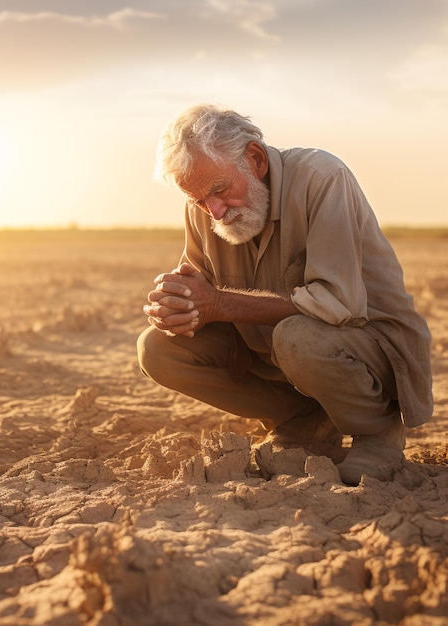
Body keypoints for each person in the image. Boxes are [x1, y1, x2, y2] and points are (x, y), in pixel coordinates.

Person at [137, 103, 433, 486]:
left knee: (297, 335)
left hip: (367, 347)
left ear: (255, 159)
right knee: (158, 348)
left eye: (220, 190)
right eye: (197, 200)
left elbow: (337, 305)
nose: (215, 211)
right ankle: (301, 420)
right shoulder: (206, 209)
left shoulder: (322, 178)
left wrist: (218, 303)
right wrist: (179, 306)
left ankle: (377, 433)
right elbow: (201, 291)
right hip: (278, 353)